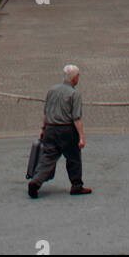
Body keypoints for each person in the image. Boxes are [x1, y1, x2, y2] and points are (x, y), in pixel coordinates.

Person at [28, 64, 92, 196]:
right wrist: (81, 136)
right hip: (66, 130)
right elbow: (76, 118)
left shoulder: (52, 90)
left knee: (48, 157)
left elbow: (46, 112)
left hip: (50, 129)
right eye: (78, 76)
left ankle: (36, 181)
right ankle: (76, 185)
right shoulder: (74, 94)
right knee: (73, 157)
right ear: (74, 79)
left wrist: (43, 128)